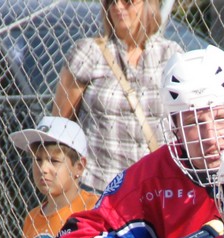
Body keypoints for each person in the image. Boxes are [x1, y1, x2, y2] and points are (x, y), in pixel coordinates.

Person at [55, 45, 224, 238]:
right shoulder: (153, 176)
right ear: (175, 128)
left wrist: (219, 231)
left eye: (221, 118)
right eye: (193, 123)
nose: (211, 138)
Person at [52, 0, 183, 190]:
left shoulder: (170, 54)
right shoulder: (88, 52)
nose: (118, 7)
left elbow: (186, 119)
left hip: (158, 186)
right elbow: (60, 124)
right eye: (112, 2)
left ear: (149, 4)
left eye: (128, 1)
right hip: (100, 186)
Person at [9, 115, 101, 238]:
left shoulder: (94, 208)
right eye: (38, 159)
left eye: (54, 161)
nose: (43, 168)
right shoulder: (32, 218)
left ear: (79, 167)